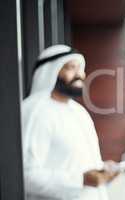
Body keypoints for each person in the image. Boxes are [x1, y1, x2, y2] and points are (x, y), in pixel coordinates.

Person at [22, 45, 117, 200]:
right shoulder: (35, 111)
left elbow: (79, 165)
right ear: (51, 71)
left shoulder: (78, 111)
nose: (80, 74)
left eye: (81, 68)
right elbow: (26, 175)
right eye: (72, 67)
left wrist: (102, 170)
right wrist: (81, 180)